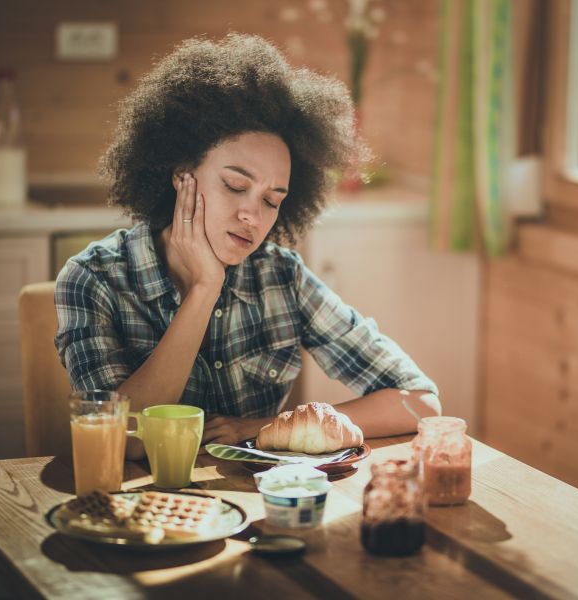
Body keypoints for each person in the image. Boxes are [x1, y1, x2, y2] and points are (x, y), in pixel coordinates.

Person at [54, 34, 440, 459]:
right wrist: (204, 289)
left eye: (272, 200)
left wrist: (262, 427)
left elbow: (419, 401)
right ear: (182, 175)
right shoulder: (93, 279)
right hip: (135, 512)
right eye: (235, 186)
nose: (253, 216)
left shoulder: (281, 276)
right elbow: (121, 440)